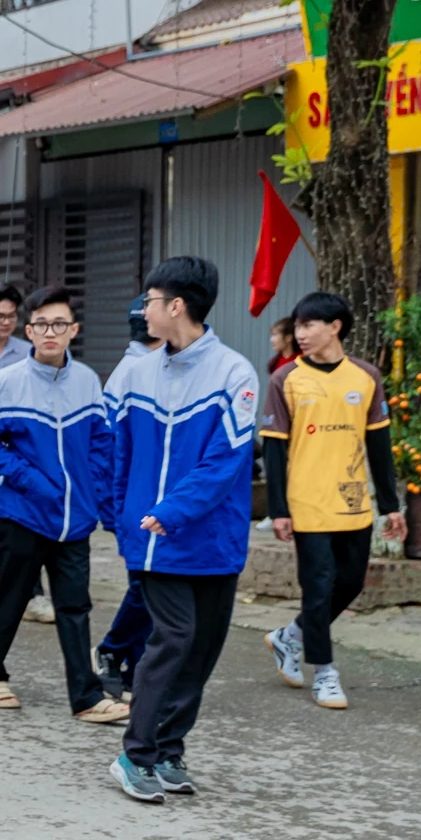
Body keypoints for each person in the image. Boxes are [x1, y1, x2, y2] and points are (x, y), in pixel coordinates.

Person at [105, 257, 259, 803]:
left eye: (149, 299)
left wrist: (176, 508)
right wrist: (123, 512)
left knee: (203, 648)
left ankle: (170, 748)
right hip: (153, 536)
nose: (141, 309)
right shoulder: (133, 372)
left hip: (214, 539)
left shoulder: (235, 373)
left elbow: (225, 462)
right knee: (174, 638)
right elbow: (115, 450)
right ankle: (135, 754)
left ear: (176, 306)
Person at [0, 287, 129, 723]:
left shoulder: (87, 381)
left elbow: (102, 442)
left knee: (74, 605)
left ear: (74, 330)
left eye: (60, 324)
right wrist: (30, 481)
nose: (50, 332)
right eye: (41, 324)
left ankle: (86, 696)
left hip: (75, 519)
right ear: (29, 330)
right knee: (12, 596)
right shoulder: (6, 383)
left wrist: (93, 492)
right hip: (25, 513)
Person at [260, 292, 406, 710]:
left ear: (335, 327)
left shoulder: (366, 377)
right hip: (306, 504)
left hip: (355, 502)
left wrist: (391, 505)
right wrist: (278, 510)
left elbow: (379, 445)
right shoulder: (284, 379)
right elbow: (273, 450)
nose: (300, 335)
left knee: (351, 582)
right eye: (298, 327)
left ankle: (291, 636)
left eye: (309, 326)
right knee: (319, 586)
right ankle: (324, 672)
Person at [94, 297, 161, 699]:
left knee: (152, 584)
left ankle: (137, 668)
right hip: (136, 498)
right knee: (146, 584)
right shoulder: (135, 373)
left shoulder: (135, 369)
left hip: (145, 498)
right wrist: (113, 508)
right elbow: (110, 449)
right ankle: (111, 649)